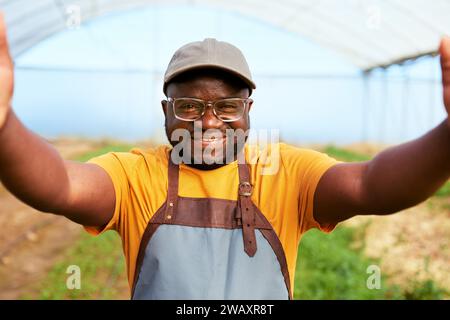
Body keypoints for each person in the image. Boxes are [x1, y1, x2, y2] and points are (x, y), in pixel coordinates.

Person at [0, 13, 449, 299]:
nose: (209, 123)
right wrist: (4, 124)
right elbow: (58, 184)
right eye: (190, 106)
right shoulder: (135, 175)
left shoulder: (286, 174)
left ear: (248, 111)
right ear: (167, 112)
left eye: (227, 107)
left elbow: (373, 186)